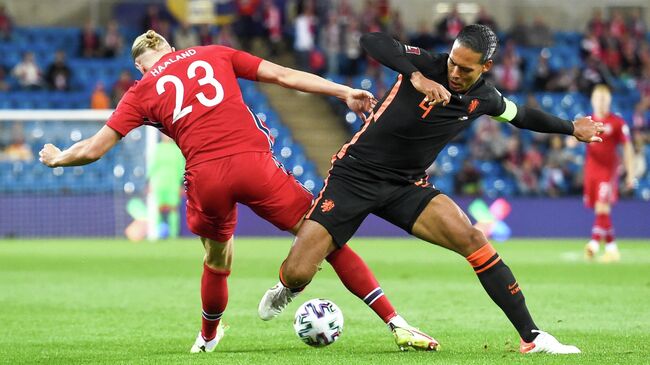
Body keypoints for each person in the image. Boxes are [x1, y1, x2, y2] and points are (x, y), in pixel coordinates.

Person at [39, 30, 437, 354]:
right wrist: (341, 92)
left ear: (142, 65)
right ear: (172, 50)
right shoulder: (212, 53)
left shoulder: (141, 90)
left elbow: (93, 149)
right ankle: (396, 322)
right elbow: (283, 75)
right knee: (323, 239)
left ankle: (208, 338)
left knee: (217, 258)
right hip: (254, 164)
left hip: (206, 176)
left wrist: (58, 159)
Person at [259, 25, 604, 355]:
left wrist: (571, 127)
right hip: (355, 177)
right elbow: (372, 39)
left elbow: (521, 115)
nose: (455, 72)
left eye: (466, 69)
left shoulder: (484, 98)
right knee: (298, 272)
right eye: (453, 62)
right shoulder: (426, 63)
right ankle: (287, 287)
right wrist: (417, 77)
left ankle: (532, 337)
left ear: (486, 67)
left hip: (406, 186)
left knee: (473, 240)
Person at [583, 85, 635, 263]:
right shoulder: (587, 121)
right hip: (590, 171)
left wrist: (630, 173)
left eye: (605, 99)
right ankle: (612, 248)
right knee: (599, 209)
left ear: (610, 101)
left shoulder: (617, 122)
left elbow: (628, 148)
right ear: (593, 100)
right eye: (598, 99)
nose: (601, 102)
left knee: (602, 207)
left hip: (608, 171)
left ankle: (594, 244)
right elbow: (573, 137)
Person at [148, 134, 185, 238]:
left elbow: (181, 167)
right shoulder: (158, 148)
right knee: (159, 209)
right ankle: (157, 234)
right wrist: (149, 182)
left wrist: (181, 185)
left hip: (173, 183)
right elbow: (153, 166)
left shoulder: (177, 150)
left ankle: (173, 235)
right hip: (159, 183)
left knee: (173, 209)